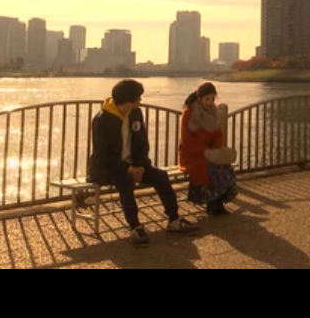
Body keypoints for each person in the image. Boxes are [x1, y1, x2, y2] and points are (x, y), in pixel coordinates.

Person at [89, 79, 198, 247]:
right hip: (108, 168)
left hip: (135, 164)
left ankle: (174, 219)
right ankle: (135, 227)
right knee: (125, 182)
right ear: (129, 99)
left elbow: (142, 143)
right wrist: (127, 168)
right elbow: (103, 155)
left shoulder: (135, 114)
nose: (140, 101)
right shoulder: (102, 119)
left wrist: (141, 165)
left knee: (161, 176)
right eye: (138, 98)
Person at [178, 82, 238, 216]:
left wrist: (216, 148)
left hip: (210, 151)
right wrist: (204, 150)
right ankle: (212, 203)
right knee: (211, 169)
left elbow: (218, 133)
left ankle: (218, 202)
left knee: (225, 167)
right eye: (207, 99)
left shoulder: (214, 112)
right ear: (200, 98)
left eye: (212, 99)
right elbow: (187, 139)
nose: (210, 102)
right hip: (193, 153)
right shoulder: (190, 113)